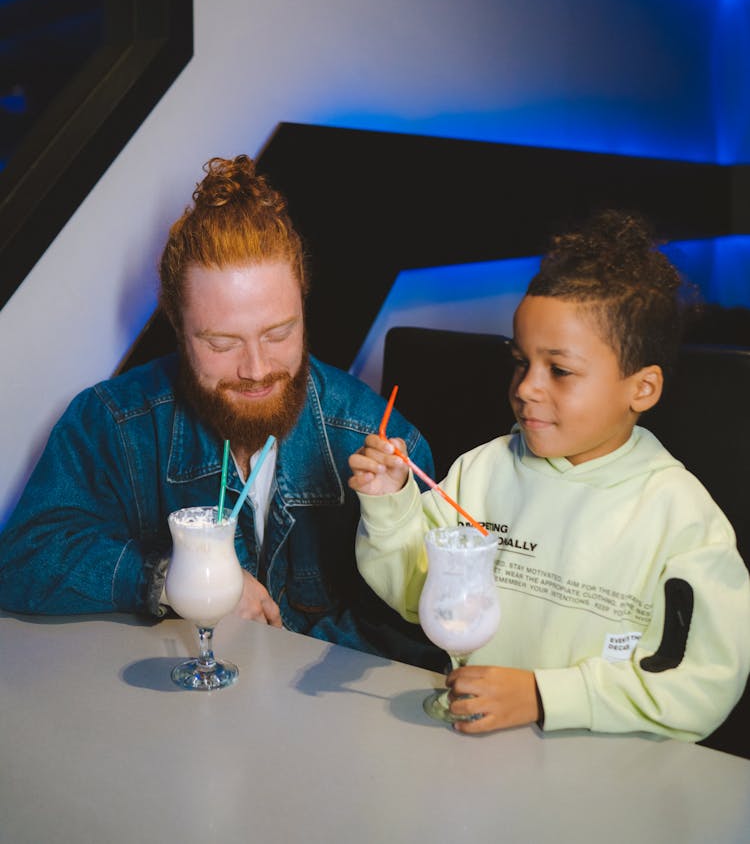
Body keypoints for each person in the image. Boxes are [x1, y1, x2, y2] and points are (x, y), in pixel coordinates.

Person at [0, 156, 441, 669]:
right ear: (177, 325)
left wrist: (282, 658)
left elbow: (420, 628)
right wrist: (172, 580)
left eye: (279, 334)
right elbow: (23, 560)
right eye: (221, 342)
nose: (256, 369)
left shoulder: (375, 436)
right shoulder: (113, 421)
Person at [349, 210, 750, 739]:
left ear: (642, 389)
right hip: (473, 756)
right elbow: (416, 594)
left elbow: (702, 685)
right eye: (521, 362)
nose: (527, 387)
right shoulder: (484, 470)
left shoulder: (681, 518)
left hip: (605, 778)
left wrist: (543, 696)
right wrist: (392, 503)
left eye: (559, 370)